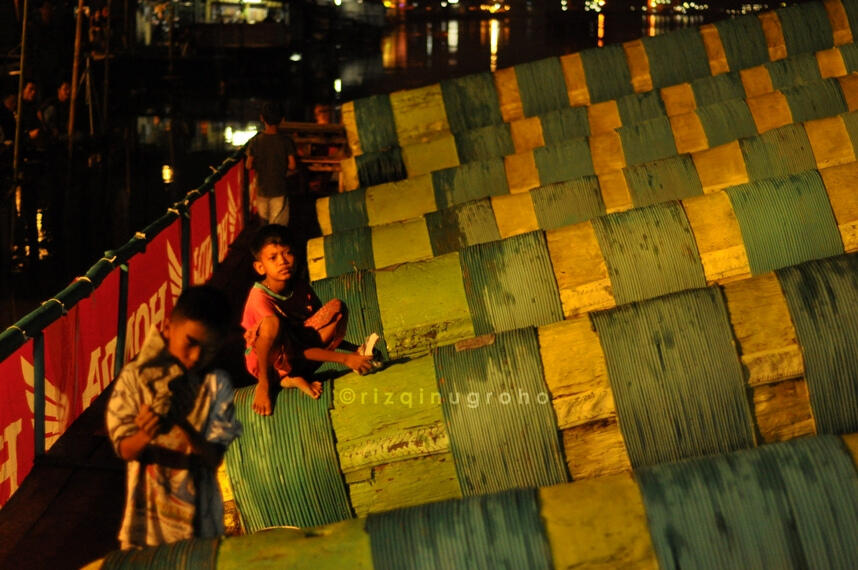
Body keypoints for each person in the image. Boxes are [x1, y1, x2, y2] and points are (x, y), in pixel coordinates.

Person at [106, 285, 242, 549]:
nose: (196, 358)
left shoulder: (217, 386)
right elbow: (124, 449)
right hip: (144, 530)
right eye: (190, 343)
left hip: (200, 530)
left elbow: (214, 457)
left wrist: (180, 421)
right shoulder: (136, 377)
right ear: (168, 328)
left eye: (209, 350)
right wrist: (147, 433)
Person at [241, 224, 375, 415]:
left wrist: (354, 350)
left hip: (296, 352)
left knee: (337, 309)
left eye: (287, 253)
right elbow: (291, 347)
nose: (283, 261)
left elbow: (315, 333)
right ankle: (276, 380)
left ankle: (293, 375)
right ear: (260, 267)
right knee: (273, 323)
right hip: (266, 363)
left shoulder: (300, 287)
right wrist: (345, 359)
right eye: (273, 258)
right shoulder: (259, 299)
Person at [245, 102, 299, 226]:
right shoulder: (286, 141)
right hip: (280, 189)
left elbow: (248, 165)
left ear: (262, 118)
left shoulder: (255, 141)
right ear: (282, 119)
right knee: (277, 225)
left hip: (262, 189)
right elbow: (292, 165)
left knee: (264, 224)